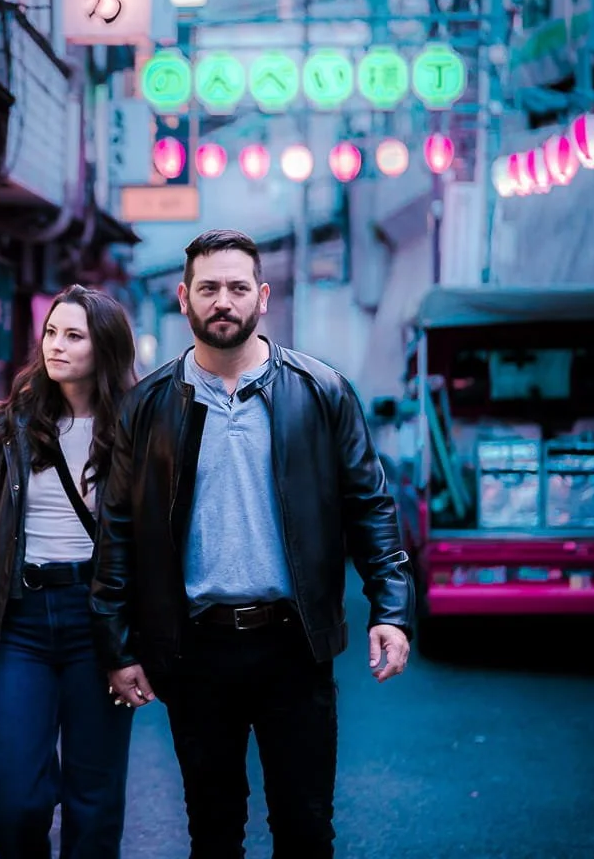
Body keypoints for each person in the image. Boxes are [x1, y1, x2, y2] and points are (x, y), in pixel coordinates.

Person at [90, 229, 414, 859]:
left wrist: (391, 610)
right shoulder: (147, 405)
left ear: (262, 298)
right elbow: (120, 528)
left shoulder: (321, 392)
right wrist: (117, 644)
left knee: (305, 828)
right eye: (208, 288)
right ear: (184, 299)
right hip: (196, 649)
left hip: (295, 645)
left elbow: (369, 506)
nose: (223, 301)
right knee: (213, 832)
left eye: (238, 288)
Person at [0, 285, 139, 859]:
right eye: (52, 332)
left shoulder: (135, 429)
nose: (56, 345)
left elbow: (156, 541)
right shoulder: (10, 426)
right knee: (10, 796)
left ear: (103, 348)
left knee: (94, 800)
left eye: (73, 335)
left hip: (97, 623)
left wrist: (141, 642)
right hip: (22, 623)